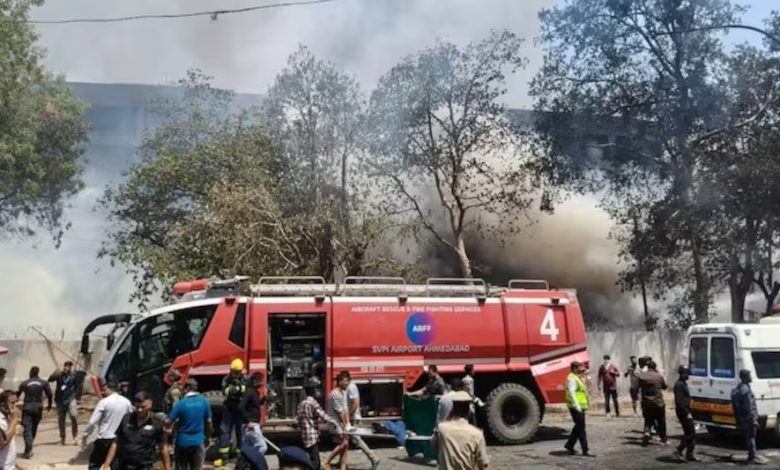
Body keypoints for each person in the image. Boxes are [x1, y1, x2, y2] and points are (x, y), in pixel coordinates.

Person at [107, 391, 171, 470]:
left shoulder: (156, 422)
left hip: (144, 466)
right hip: (124, 465)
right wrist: (106, 464)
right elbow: (116, 442)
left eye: (143, 407)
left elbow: (163, 448)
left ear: (150, 404)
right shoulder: (127, 418)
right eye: (137, 407)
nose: (140, 410)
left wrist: (167, 468)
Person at [82, 380, 134, 470]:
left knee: (94, 464)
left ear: (110, 389)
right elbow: (131, 417)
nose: (103, 391)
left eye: (105, 389)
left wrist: (85, 435)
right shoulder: (126, 402)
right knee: (116, 466)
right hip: (119, 439)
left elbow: (92, 422)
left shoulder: (104, 402)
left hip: (104, 439)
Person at [433, 391, 489, 470]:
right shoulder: (477, 434)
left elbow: (434, 445)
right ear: (469, 410)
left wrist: (449, 415)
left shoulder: (442, 429)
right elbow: (483, 464)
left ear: (452, 409)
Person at [168, 378, 212, 470]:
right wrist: (207, 436)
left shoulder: (181, 404)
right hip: (198, 443)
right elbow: (209, 422)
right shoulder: (204, 402)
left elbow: (169, 421)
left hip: (182, 443)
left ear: (187, 388)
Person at [296, 383, 341, 470]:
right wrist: (334, 421)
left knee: (309, 457)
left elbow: (298, 420)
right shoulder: (312, 402)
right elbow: (322, 415)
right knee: (315, 461)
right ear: (313, 392)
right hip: (312, 435)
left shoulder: (301, 404)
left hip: (305, 435)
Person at [344, 371, 380, 470]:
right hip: (352, 417)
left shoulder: (351, 387)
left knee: (356, 439)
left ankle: (374, 458)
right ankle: (342, 462)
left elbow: (355, 403)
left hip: (353, 418)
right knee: (344, 439)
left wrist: (349, 415)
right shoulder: (351, 386)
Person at [732, 369, 767, 465]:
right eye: (749, 376)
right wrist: (753, 419)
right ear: (745, 377)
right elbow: (749, 406)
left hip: (743, 417)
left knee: (749, 435)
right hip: (749, 417)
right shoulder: (746, 391)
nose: (751, 377)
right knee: (751, 436)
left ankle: (751, 454)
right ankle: (753, 455)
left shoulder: (740, 387)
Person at [17, 365, 53, 458]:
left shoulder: (25, 383)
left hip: (27, 408)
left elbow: (18, 394)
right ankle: (28, 448)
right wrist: (49, 405)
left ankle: (28, 447)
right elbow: (49, 394)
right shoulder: (43, 383)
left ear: (30, 372)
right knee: (33, 428)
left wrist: (13, 403)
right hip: (38, 408)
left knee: (27, 429)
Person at [219, 358, 248, 462]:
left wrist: (240, 388)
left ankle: (241, 454)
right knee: (224, 429)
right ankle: (224, 456)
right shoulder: (226, 379)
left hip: (240, 406)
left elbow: (247, 391)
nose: (235, 374)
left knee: (241, 430)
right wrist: (232, 389)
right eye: (234, 372)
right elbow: (224, 391)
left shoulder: (245, 378)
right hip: (229, 406)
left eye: (237, 372)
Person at [564, 361, 592, 456]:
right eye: (579, 367)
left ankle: (569, 445)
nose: (581, 369)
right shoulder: (572, 378)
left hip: (581, 406)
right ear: (575, 369)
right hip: (575, 407)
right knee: (581, 428)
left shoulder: (578, 377)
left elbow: (588, 385)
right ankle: (585, 449)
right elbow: (572, 393)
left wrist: (587, 375)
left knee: (578, 427)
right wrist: (577, 406)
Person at [324, 371, 351, 470]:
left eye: (348, 381)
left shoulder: (343, 393)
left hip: (341, 423)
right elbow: (340, 412)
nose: (347, 383)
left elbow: (345, 409)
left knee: (346, 445)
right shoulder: (335, 394)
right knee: (343, 443)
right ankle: (326, 462)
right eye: (345, 381)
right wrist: (345, 425)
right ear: (339, 382)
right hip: (335, 423)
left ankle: (343, 467)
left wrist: (348, 424)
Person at [49, 360, 80, 446]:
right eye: (65, 366)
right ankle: (62, 438)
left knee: (73, 416)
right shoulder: (59, 375)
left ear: (71, 367)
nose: (66, 367)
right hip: (60, 399)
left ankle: (75, 436)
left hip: (70, 398)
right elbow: (50, 379)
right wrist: (55, 372)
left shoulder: (74, 375)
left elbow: (78, 386)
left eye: (68, 366)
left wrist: (76, 397)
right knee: (61, 420)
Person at [637, 360, 667, 446]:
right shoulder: (658, 376)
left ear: (648, 367)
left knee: (648, 420)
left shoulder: (642, 376)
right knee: (661, 421)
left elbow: (637, 387)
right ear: (655, 367)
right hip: (658, 402)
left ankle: (647, 433)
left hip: (646, 402)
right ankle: (663, 438)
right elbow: (664, 387)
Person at [672, 366, 698, 462]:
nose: (688, 376)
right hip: (683, 412)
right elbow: (679, 401)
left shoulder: (683, 383)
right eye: (686, 374)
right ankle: (678, 450)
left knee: (692, 433)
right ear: (682, 374)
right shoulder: (679, 385)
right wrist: (687, 413)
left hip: (686, 410)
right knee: (690, 433)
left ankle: (690, 454)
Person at [0, 390, 19, 470]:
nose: (15, 406)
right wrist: (14, 419)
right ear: (2, 405)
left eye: (16, 402)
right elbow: (2, 443)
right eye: (13, 403)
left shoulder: (7, 417)